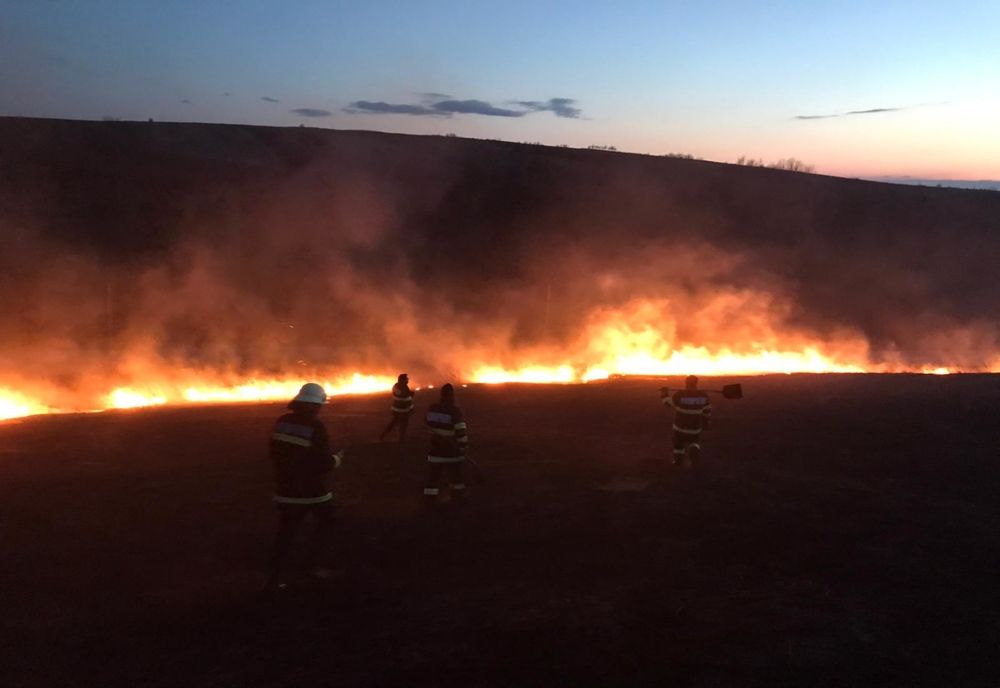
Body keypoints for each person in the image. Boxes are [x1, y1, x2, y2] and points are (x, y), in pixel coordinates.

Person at [267, 382, 343, 589]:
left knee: (287, 529)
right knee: (327, 522)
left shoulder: (282, 421)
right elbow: (323, 462)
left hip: (284, 486)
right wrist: (337, 460)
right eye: (319, 405)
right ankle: (313, 566)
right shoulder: (314, 426)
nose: (321, 408)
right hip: (311, 490)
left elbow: (275, 452)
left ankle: (276, 574)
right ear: (312, 405)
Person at [423, 383, 468, 505]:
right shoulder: (455, 411)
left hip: (435, 451)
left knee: (433, 478)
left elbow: (428, 423)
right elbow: (461, 432)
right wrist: (463, 447)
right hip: (452, 453)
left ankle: (429, 501)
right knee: (456, 477)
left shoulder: (432, 408)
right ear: (452, 395)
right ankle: (458, 500)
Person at [660, 375, 712, 468]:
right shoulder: (703, 396)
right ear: (696, 383)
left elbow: (668, 403)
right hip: (695, 428)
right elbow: (707, 411)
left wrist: (664, 393)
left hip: (680, 427)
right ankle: (694, 448)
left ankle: (678, 462)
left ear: (686, 383)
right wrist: (705, 423)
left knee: (678, 444)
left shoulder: (679, 395)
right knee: (694, 440)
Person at [379, 373, 414, 442]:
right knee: (403, 424)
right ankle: (401, 439)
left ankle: (383, 435)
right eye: (406, 379)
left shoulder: (395, 386)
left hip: (396, 409)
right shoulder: (403, 387)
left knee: (394, 422)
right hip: (402, 409)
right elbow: (405, 397)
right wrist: (410, 394)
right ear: (402, 380)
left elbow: (399, 394)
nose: (408, 380)